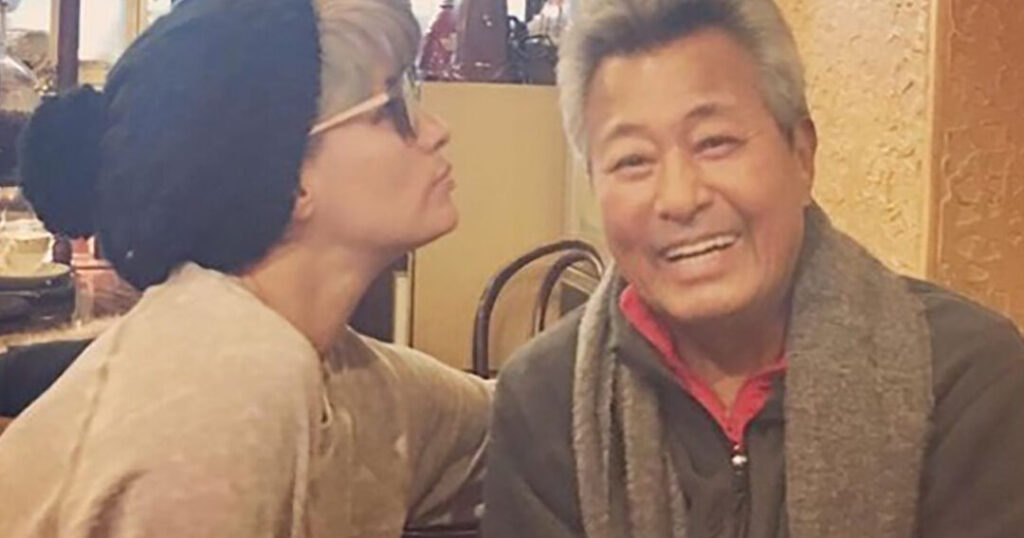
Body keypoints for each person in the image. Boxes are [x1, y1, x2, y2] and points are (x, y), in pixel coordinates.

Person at [482, 0, 1024, 537]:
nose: (680, 198)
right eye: (633, 161)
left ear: (802, 155)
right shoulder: (544, 402)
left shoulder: (965, 380)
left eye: (715, 143)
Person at [0, 0, 491, 536]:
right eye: (393, 105)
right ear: (291, 179)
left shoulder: (344, 374)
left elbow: (516, 415)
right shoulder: (226, 384)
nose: (436, 130)